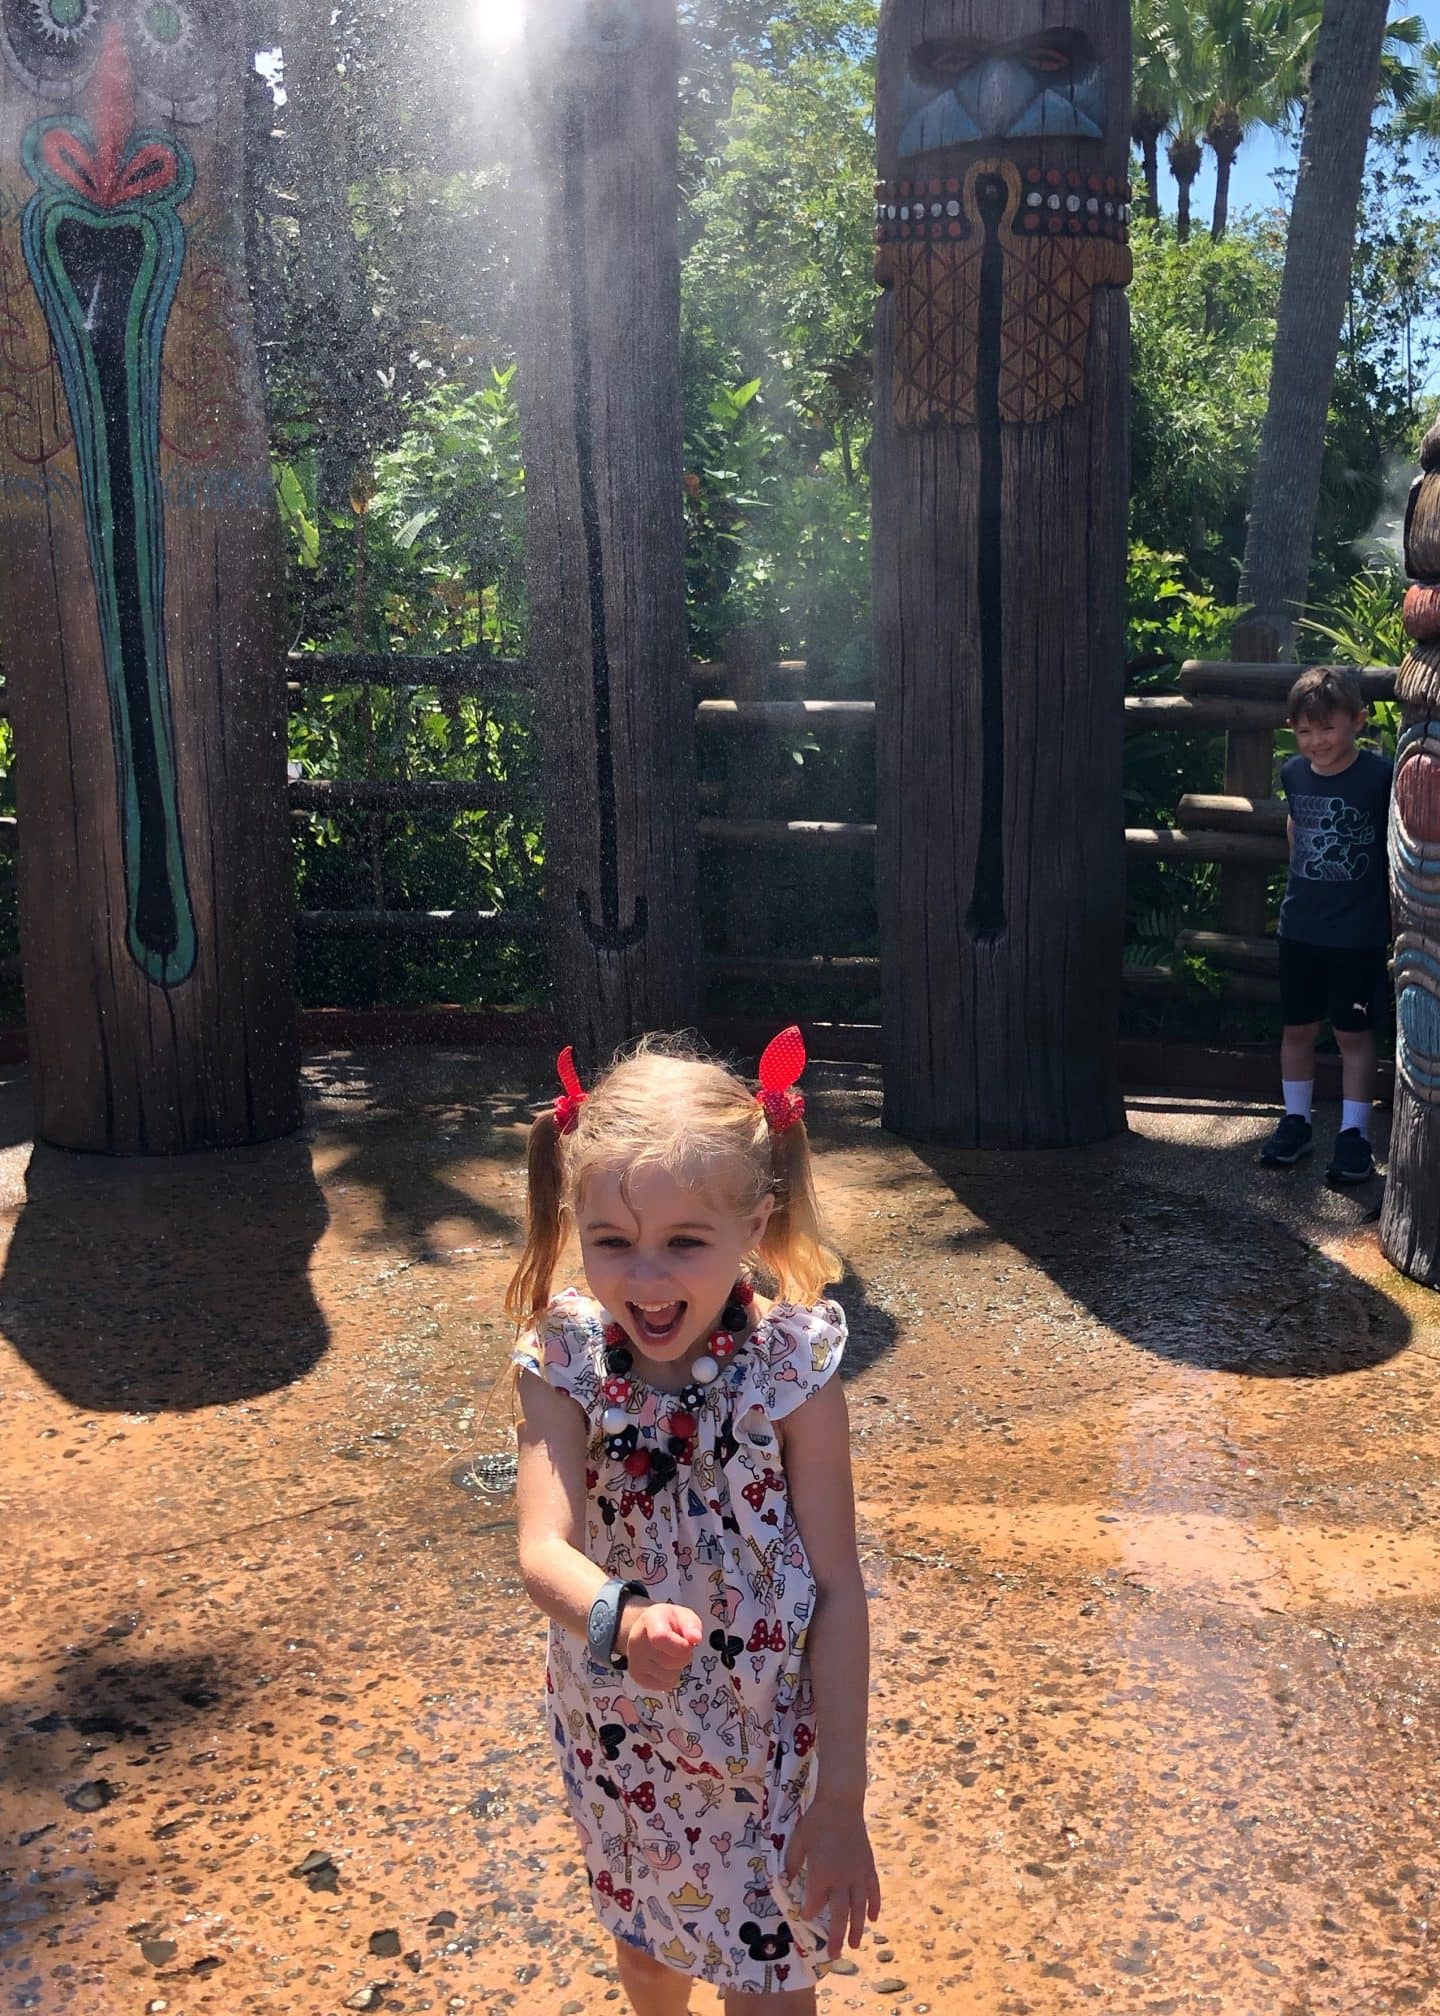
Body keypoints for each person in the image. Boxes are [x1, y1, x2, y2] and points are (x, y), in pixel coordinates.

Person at [507, 1029, 881, 2015]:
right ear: (575, 1220)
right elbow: (542, 1549)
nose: (646, 1279)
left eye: (684, 1242)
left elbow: (839, 1587)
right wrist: (617, 1621)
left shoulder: (790, 1373)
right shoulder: (567, 1361)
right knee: (646, 1951)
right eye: (614, 1242)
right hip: (623, 1730)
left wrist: (841, 1795)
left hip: (765, 1747)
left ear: (753, 1226)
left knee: (768, 1982)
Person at [1259, 665, 1394, 1183]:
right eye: (1304, 731)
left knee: (1353, 1035)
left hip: (1356, 934)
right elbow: (1295, 830)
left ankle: (1354, 1133)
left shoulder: (1380, 777)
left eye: (1328, 728)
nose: (1316, 741)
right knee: (1296, 1030)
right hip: (1300, 929)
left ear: (1358, 721)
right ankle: (1296, 1121)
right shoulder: (1293, 772)